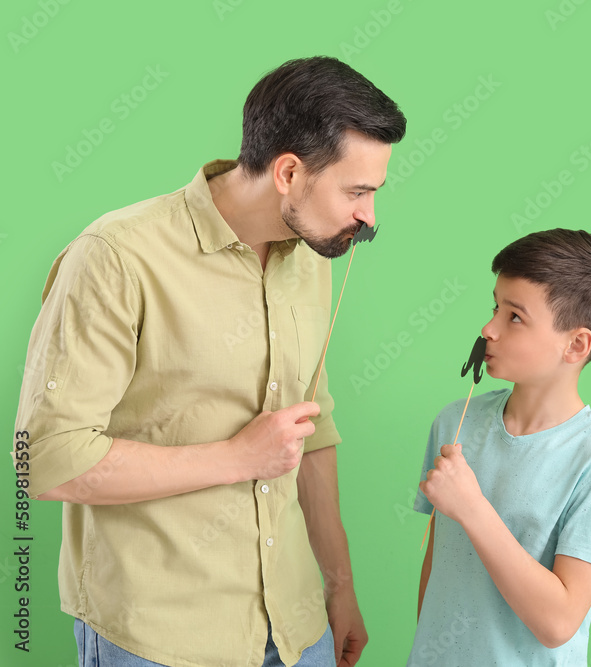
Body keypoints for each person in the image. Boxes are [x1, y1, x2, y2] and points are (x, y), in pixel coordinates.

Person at [13, 56, 405, 666]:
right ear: (289, 172)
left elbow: (313, 430)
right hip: (160, 640)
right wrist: (234, 458)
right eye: (357, 192)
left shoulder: (308, 259)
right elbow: (47, 461)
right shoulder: (117, 257)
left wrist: (340, 587)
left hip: (299, 631)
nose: (369, 216)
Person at [409, 229, 591, 665]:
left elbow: (557, 623)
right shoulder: (454, 422)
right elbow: (438, 569)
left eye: (514, 317)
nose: (488, 329)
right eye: (495, 307)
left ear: (576, 345)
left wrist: (471, 507)